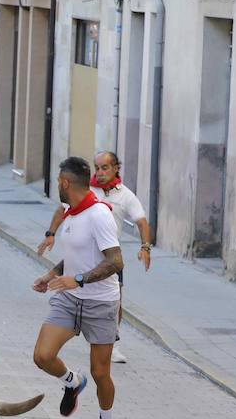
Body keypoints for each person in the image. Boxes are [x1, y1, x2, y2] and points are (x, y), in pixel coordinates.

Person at [31, 156, 124, 419]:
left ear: (65, 183)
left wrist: (79, 279)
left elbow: (115, 262)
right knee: (43, 356)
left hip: (100, 303)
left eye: (58, 181)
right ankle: (72, 381)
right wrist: (52, 274)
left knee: (100, 373)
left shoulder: (99, 215)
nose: (57, 185)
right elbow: (77, 256)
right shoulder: (72, 212)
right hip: (70, 298)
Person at [37, 151, 151, 364]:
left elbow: (141, 222)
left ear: (116, 168)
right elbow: (62, 211)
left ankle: (113, 341)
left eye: (104, 168)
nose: (99, 173)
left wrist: (145, 247)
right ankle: (73, 381)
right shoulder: (84, 192)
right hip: (78, 270)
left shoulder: (124, 196)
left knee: (116, 302)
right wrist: (50, 235)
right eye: (96, 167)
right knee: (43, 354)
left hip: (108, 256)